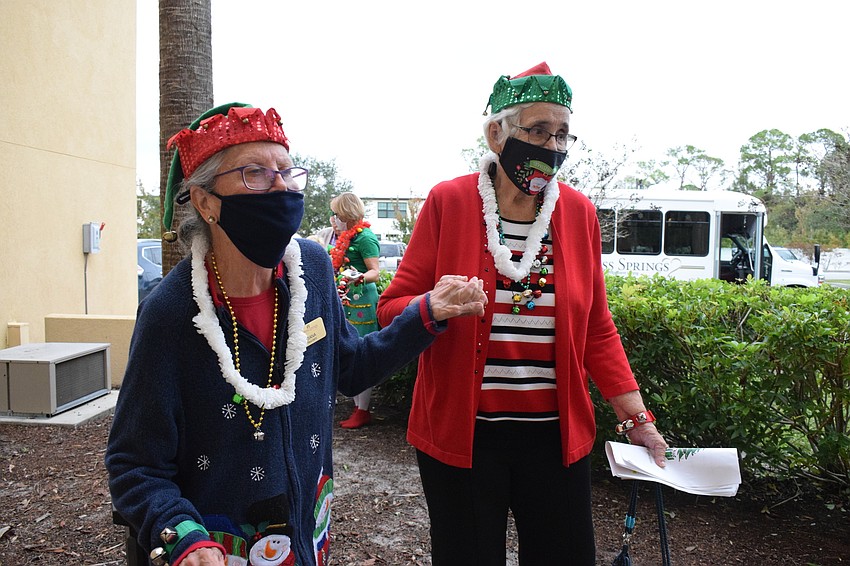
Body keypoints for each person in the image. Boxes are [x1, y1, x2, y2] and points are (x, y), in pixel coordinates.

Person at [105, 102, 486, 566]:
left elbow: (350, 368)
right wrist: (184, 535)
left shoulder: (314, 270)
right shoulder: (169, 314)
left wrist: (426, 313)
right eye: (255, 173)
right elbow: (135, 465)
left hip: (304, 547)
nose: (281, 186)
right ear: (205, 202)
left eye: (286, 171)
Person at [377, 63, 669, 565]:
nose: (552, 147)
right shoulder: (449, 201)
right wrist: (432, 307)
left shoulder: (576, 212)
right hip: (463, 437)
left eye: (562, 134)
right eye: (538, 130)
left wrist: (637, 418)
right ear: (497, 133)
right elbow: (390, 308)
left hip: (554, 439)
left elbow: (597, 328)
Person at [327, 192, 381, 429]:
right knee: (350, 350)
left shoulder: (365, 237)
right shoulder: (345, 237)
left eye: (337, 214)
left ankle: (363, 410)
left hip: (362, 303)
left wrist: (357, 277)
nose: (334, 218)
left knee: (362, 354)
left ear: (347, 213)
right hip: (347, 300)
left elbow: (375, 273)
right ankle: (358, 407)